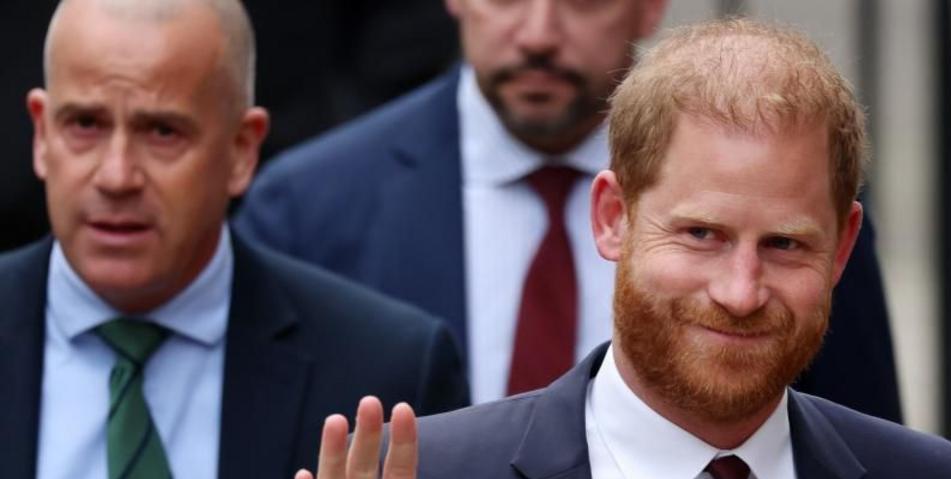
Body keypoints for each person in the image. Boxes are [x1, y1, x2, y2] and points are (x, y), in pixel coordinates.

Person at [228, 19, 951, 479]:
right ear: (612, 217)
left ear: (844, 246)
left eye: (784, 244)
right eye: (701, 234)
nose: (740, 290)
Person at [0, 1, 468, 479]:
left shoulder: (383, 369)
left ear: (243, 150)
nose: (116, 175)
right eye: (85, 125)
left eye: (162, 132)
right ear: (41, 134)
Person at [234, 0, 904, 423]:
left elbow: (858, 472)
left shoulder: (788, 212)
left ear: (649, 8)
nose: (539, 34)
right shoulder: (305, 209)